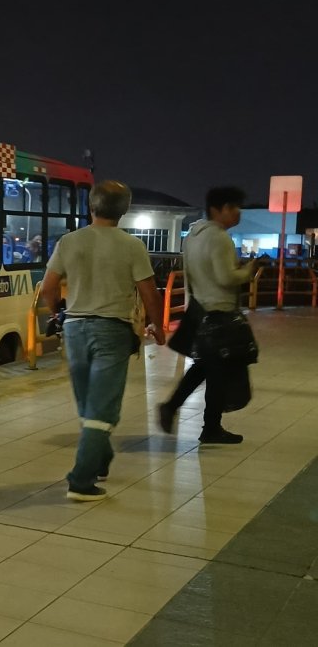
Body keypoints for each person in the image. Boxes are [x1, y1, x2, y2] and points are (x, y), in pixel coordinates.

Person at [41, 180, 165, 502]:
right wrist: (156, 325)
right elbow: (149, 291)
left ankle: (100, 458)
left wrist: (58, 313)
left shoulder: (69, 241)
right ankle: (80, 480)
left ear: (91, 207)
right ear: (123, 211)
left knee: (87, 403)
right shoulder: (132, 246)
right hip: (112, 330)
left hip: (75, 329)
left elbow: (49, 288)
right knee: (101, 409)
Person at [158, 186, 259, 443]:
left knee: (205, 367)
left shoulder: (193, 235)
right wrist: (248, 271)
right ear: (219, 209)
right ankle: (209, 427)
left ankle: (175, 408)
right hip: (220, 313)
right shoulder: (219, 237)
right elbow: (226, 277)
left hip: (200, 310)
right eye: (233, 207)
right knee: (218, 374)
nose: (237, 213)